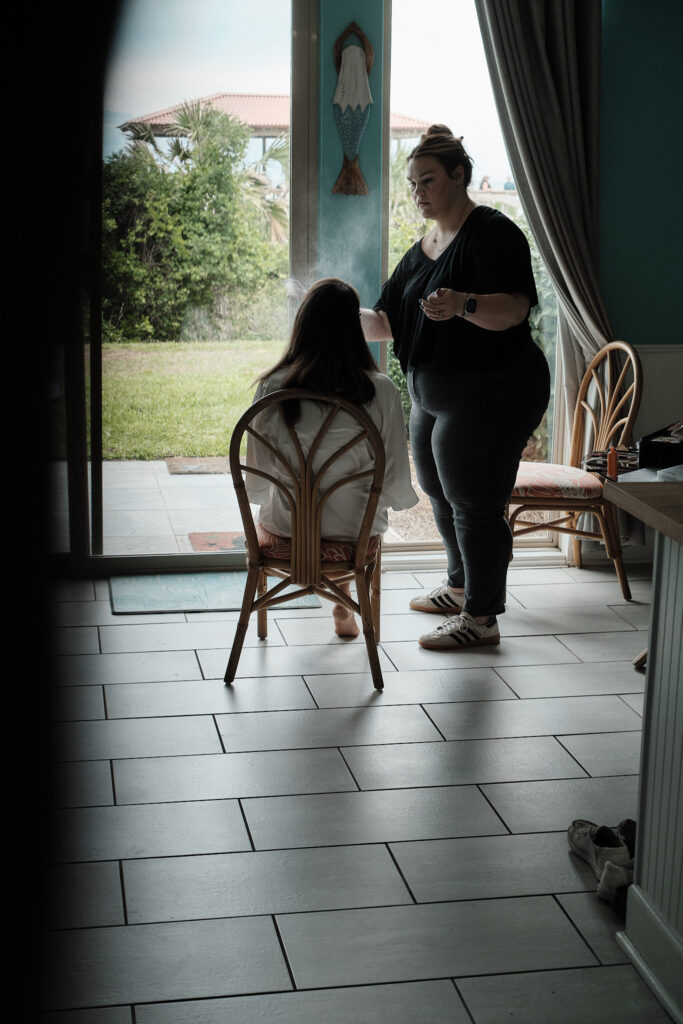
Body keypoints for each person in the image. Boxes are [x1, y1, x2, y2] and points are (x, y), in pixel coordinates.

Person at [360, 125, 550, 651]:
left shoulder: (492, 233)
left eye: (428, 180)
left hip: (494, 390)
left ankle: (481, 618)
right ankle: (461, 583)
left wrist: (463, 303)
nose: (418, 191)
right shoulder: (422, 247)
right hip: (436, 396)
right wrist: (330, 311)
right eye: (412, 182)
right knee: (440, 492)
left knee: (475, 503)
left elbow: (513, 310)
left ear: (459, 176)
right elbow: (384, 320)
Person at [245, 277, 418, 637]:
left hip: (287, 529)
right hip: (353, 532)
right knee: (354, 516)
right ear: (354, 329)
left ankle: (338, 602)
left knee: (297, 506)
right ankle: (343, 599)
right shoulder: (380, 390)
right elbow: (395, 479)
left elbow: (258, 478)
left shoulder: (273, 387)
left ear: (303, 325)